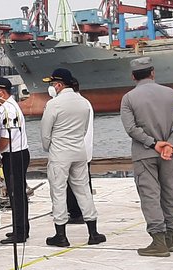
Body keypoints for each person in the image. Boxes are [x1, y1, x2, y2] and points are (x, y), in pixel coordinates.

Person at [120, 57, 173, 257]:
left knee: (150, 196)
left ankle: (158, 242)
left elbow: (131, 128)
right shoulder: (171, 94)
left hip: (144, 153)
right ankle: (170, 240)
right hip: (168, 153)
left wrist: (152, 143)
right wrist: (170, 144)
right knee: (169, 193)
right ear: (153, 73)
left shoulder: (128, 98)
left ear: (133, 76)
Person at [41, 69, 106, 247]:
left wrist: (49, 148)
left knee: (59, 192)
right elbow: (85, 129)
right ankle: (93, 232)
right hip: (79, 151)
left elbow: (45, 133)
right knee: (83, 190)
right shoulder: (84, 102)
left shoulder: (53, 104)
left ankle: (61, 235)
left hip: (60, 153)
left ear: (60, 84)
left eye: (54, 84)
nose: (53, 87)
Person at [0, 77, 30, 244]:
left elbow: (5, 139)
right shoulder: (7, 107)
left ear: (1, 93)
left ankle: (20, 232)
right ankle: (21, 228)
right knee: (17, 194)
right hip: (16, 154)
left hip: (14, 155)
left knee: (16, 195)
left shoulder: (8, 110)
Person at [66, 77, 94, 224]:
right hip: (84, 150)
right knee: (84, 183)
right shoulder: (85, 102)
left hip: (75, 149)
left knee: (73, 184)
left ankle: (77, 213)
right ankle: (85, 212)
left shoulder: (75, 104)